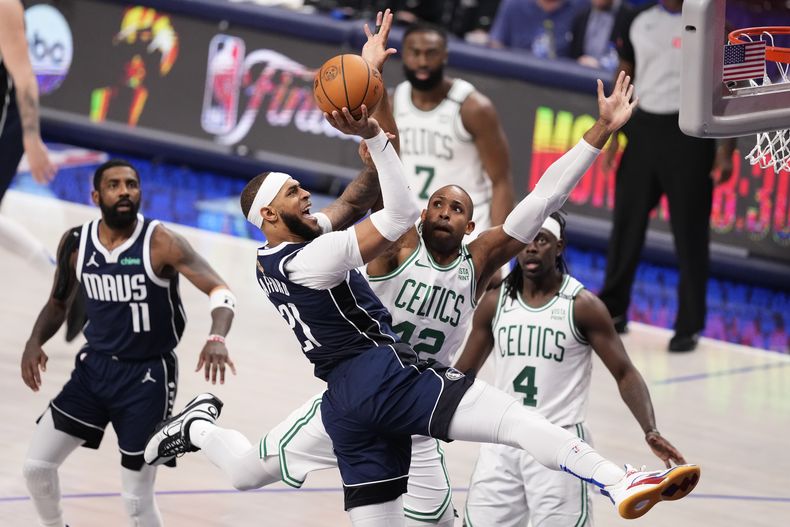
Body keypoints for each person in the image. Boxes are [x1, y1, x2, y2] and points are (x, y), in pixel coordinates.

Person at [147, 61, 701, 525]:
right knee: (517, 424)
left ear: (470, 224)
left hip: (375, 399)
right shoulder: (382, 248)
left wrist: (600, 132)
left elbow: (542, 197)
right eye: (438, 202)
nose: (443, 210)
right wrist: (374, 123)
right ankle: (619, 478)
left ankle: (196, 425)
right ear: (269, 215)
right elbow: (395, 195)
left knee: (249, 473)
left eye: (457, 207)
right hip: (392, 379)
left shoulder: (478, 257)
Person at [20, 160, 237, 527]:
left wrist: (217, 336)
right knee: (36, 467)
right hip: (93, 370)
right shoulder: (76, 242)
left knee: (136, 498)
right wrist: (34, 341)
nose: (125, 191)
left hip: (147, 378)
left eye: (132, 185)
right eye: (115, 185)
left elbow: (220, 290)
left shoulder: (161, 242)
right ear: (95, 196)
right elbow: (59, 301)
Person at [455, 211, 686, 527]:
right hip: (503, 443)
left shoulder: (581, 305)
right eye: (527, 240)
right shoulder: (495, 303)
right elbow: (463, 373)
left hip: (562, 444)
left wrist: (650, 429)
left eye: (543, 240)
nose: (532, 248)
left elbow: (625, 372)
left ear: (559, 247)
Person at [599, 0, 735, 352]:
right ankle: (613, 310)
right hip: (642, 128)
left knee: (689, 234)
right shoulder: (637, 19)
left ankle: (689, 325)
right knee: (626, 226)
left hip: (688, 133)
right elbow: (624, 74)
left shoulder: (709, 21)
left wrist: (725, 149)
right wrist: (611, 133)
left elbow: (725, 82)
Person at [394, 22, 513, 236]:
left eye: (431, 54)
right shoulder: (394, 101)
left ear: (445, 56)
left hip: (466, 232)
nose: (422, 61)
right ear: (404, 55)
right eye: (415, 53)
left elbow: (501, 182)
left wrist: (496, 249)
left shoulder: (473, 107)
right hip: (413, 227)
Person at [0, 0, 58, 274]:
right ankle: (60, 277)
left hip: (6, 124)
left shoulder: (5, 7)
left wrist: (32, 140)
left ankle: (59, 278)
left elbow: (24, 78)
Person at [488, 0, 580, 59]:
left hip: (561, 81)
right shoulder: (514, 4)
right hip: (515, 77)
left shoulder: (579, 7)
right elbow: (496, 44)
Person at [569, 0, 635, 71]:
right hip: (580, 73)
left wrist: (600, 65)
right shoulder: (581, 13)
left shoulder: (629, 16)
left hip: (612, 77)